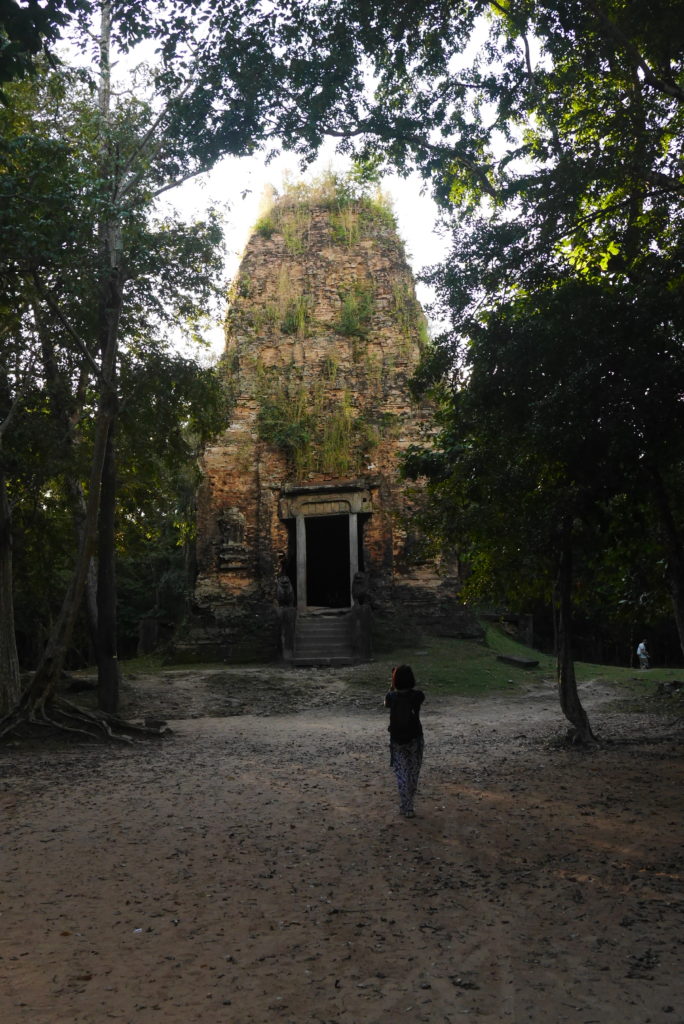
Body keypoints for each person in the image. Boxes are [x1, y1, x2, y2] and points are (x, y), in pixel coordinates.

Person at [384, 664, 425, 818]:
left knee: (402, 773)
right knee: (413, 773)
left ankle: (406, 806)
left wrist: (391, 686)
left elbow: (386, 704)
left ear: (395, 681)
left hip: (397, 740)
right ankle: (409, 803)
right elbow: (419, 698)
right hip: (415, 738)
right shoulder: (418, 696)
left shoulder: (391, 697)